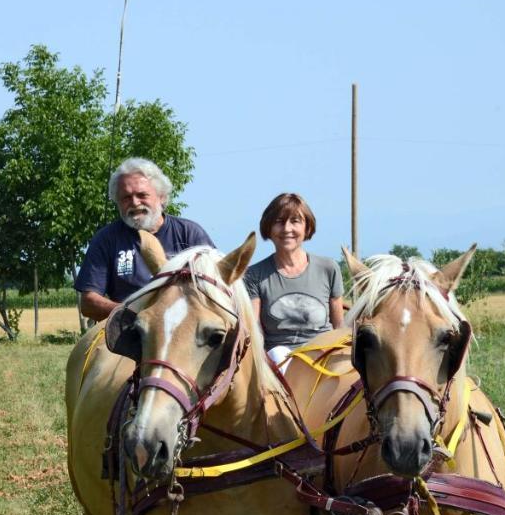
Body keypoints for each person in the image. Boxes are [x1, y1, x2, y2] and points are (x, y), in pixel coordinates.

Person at [74, 158, 215, 321]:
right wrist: (134, 312)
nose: (134, 203)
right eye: (126, 197)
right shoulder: (106, 239)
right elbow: (88, 303)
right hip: (127, 332)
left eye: (142, 195)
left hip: (185, 331)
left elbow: (219, 286)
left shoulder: (190, 234)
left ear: (161, 197)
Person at [243, 193, 344, 369]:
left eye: (295, 221)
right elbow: (255, 331)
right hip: (280, 362)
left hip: (324, 356)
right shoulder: (254, 275)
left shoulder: (329, 268)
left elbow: (339, 326)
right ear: (269, 227)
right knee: (277, 353)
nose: (287, 229)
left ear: (307, 227)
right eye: (279, 221)